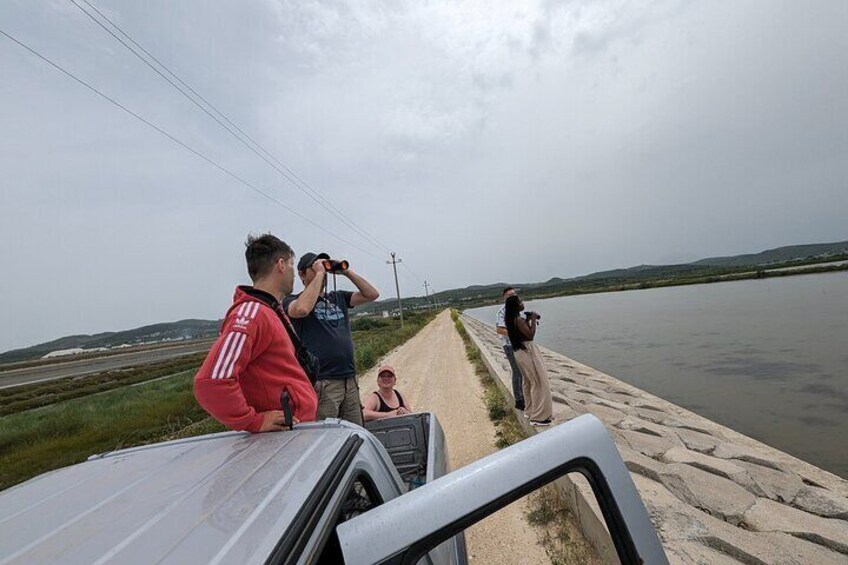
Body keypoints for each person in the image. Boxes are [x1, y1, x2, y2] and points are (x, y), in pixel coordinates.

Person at [194, 234, 318, 432]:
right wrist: (252, 421)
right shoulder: (251, 314)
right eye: (292, 265)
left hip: (293, 431)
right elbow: (211, 382)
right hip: (280, 440)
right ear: (281, 265)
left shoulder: (270, 311)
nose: (294, 274)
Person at [284, 252, 380, 425]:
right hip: (323, 382)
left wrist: (345, 271)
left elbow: (372, 294)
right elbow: (302, 309)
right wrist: (320, 274)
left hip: (349, 379)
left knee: (355, 432)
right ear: (302, 274)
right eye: (314, 266)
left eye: (324, 265)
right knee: (324, 436)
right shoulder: (293, 300)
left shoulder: (338, 297)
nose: (322, 269)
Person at [503, 294, 553, 426]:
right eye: (520, 301)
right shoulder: (518, 320)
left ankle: (529, 410)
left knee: (528, 382)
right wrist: (533, 320)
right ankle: (539, 417)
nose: (522, 303)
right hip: (527, 351)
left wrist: (528, 320)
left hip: (519, 352)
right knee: (539, 382)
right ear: (516, 305)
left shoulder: (511, 319)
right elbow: (530, 335)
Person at [496, 286, 525, 411]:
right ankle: (519, 400)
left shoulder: (519, 310)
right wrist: (515, 334)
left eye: (514, 294)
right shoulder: (502, 312)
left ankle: (526, 395)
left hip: (521, 344)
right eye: (509, 295)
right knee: (517, 371)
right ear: (505, 298)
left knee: (524, 371)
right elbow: (499, 329)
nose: (513, 296)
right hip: (509, 345)